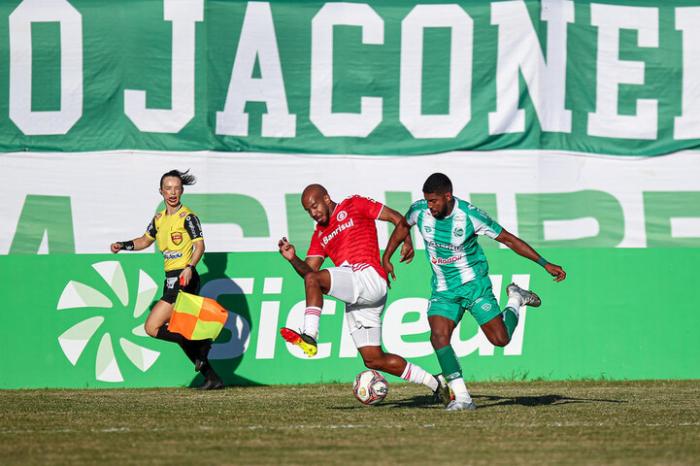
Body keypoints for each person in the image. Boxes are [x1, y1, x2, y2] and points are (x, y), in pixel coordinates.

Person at [382, 173, 566, 411]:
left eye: (434, 201)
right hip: (444, 290)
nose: (430, 206)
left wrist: (544, 263)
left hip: (475, 286)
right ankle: (463, 398)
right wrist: (387, 256)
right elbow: (402, 226)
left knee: (500, 339)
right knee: (438, 337)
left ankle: (516, 298)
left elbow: (509, 239)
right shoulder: (419, 211)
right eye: (427, 201)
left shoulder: (470, 216)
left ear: (448, 196)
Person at [278, 184, 450, 404]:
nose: (313, 213)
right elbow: (309, 274)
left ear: (327, 198)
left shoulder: (354, 204)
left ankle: (310, 335)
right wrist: (293, 258)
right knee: (373, 359)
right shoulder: (320, 234)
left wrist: (407, 241)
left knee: (316, 279)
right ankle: (437, 384)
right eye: (308, 211)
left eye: (315, 206)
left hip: (368, 276)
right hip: (358, 295)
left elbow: (394, 216)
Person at [110, 169, 223, 390]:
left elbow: (200, 245)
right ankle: (211, 375)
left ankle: (201, 345)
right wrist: (123, 245)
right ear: (161, 191)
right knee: (170, 329)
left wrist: (190, 266)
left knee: (152, 327)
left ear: (182, 191)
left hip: (184, 277)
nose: (173, 192)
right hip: (170, 279)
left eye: (177, 188)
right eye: (168, 188)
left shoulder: (188, 217)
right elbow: (144, 240)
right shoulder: (159, 219)